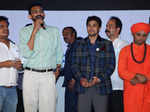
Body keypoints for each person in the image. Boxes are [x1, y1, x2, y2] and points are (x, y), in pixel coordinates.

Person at [19, 2, 63, 112]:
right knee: (30, 108)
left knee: (49, 108)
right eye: (35, 12)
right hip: (30, 74)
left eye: (41, 11)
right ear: (30, 16)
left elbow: (58, 52)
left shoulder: (54, 31)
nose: (39, 13)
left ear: (44, 14)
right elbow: (26, 53)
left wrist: (58, 69)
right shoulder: (24, 31)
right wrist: (34, 31)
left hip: (48, 75)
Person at [71, 16, 116, 112]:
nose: (91, 28)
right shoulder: (79, 43)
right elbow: (74, 65)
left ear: (99, 28)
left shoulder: (107, 44)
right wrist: (81, 78)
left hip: (101, 86)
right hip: (83, 86)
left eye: (94, 25)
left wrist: (99, 79)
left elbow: (111, 65)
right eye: (89, 25)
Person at [118, 22, 150, 112]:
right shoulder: (125, 50)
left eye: (144, 35)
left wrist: (146, 78)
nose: (141, 38)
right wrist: (136, 76)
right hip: (131, 90)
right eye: (138, 34)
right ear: (133, 34)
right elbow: (121, 71)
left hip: (147, 91)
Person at [105, 16, 128, 112]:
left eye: (110, 26)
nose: (107, 28)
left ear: (118, 29)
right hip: (104, 87)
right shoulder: (103, 45)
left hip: (118, 87)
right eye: (106, 26)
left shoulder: (125, 46)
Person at [0, 16, 22, 112]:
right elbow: (8, 64)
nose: (6, 29)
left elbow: (20, 67)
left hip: (12, 89)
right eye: (1, 26)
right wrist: (5, 64)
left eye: (7, 27)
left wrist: (20, 67)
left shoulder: (14, 46)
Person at [61, 26, 82, 112]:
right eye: (63, 35)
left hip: (76, 84)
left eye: (66, 34)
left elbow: (81, 63)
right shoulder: (70, 47)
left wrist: (74, 78)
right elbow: (68, 66)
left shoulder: (79, 45)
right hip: (70, 84)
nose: (64, 36)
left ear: (73, 34)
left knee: (75, 108)